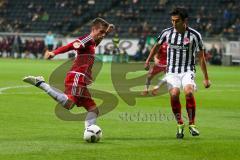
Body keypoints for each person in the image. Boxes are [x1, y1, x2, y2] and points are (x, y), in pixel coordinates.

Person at [23, 18, 115, 130]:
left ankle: (89, 130)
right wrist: (54, 53)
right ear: (93, 29)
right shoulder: (86, 39)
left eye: (104, 33)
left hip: (82, 79)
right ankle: (40, 83)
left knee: (93, 109)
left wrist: (107, 32)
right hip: (77, 75)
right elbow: (70, 46)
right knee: (68, 103)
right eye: (101, 32)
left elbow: (96, 41)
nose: (102, 35)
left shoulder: (92, 42)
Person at [145, 7, 211, 139]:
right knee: (175, 94)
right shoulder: (166, 33)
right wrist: (148, 60)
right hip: (172, 71)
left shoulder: (195, 35)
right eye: (172, 21)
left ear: (185, 21)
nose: (174, 24)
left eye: (177, 21)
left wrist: (206, 78)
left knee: (189, 92)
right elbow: (156, 46)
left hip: (188, 69)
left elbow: (201, 57)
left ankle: (192, 124)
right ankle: (180, 123)